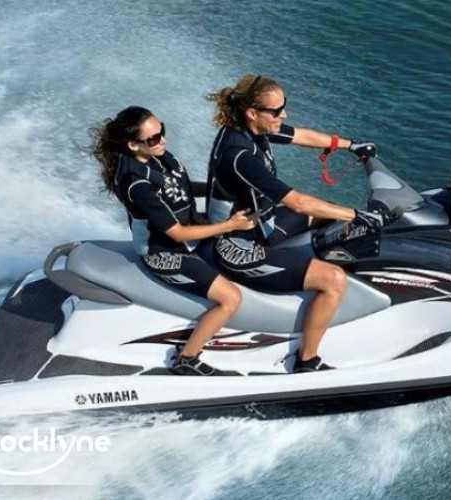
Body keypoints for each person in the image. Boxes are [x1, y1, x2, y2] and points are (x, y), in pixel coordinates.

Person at [205, 74, 381, 373]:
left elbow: (301, 136)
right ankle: (307, 361)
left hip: (263, 223)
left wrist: (352, 145)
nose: (284, 115)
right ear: (253, 112)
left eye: (283, 106)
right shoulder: (240, 154)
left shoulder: (253, 129)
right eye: (276, 111)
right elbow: (297, 202)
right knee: (334, 279)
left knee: (330, 212)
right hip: (236, 246)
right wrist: (357, 215)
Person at [89, 106, 256, 376]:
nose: (163, 140)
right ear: (133, 145)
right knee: (230, 298)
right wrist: (229, 225)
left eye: (162, 131)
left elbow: (183, 190)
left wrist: (230, 189)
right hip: (165, 253)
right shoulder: (137, 184)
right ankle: (187, 358)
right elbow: (176, 233)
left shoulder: (162, 159)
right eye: (154, 138)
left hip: (193, 237)